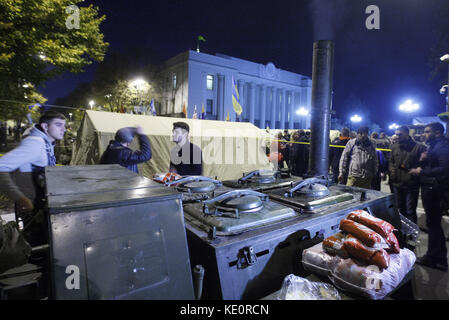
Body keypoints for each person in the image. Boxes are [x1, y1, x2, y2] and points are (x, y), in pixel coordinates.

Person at [0, 111, 67, 245]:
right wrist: (20, 198)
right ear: (45, 126)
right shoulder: (35, 144)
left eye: (64, 125)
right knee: (37, 247)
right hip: (33, 210)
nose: (63, 129)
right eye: (58, 125)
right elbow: (1, 167)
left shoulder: (46, 143)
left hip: (40, 206)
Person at [409, 122, 449, 272]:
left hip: (436, 192)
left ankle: (434, 257)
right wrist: (423, 161)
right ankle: (437, 258)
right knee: (433, 225)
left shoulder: (442, 146)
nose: (423, 134)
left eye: (427, 131)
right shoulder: (434, 146)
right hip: (431, 190)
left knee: (433, 225)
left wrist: (421, 172)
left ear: (437, 132)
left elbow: (444, 169)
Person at [388, 125, 426, 223]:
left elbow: (424, 165)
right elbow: (391, 161)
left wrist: (418, 169)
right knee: (399, 209)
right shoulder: (394, 146)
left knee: (410, 211)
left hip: (411, 185)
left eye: (400, 134)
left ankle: (412, 235)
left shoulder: (419, 147)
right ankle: (402, 233)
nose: (397, 136)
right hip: (397, 183)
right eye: (396, 134)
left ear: (407, 134)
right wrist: (392, 170)